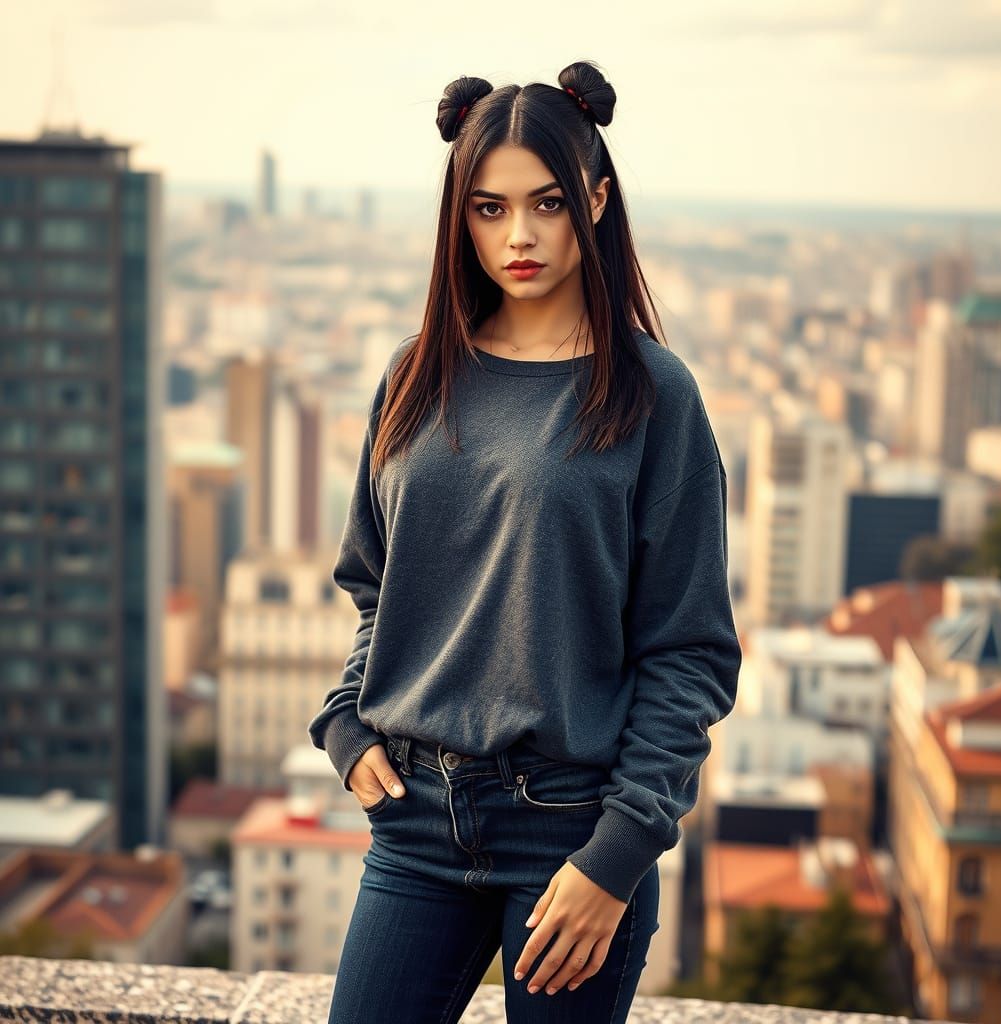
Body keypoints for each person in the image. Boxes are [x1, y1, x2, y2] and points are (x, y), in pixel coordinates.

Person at [309, 58, 742, 1024]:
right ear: (458, 218)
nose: (520, 236)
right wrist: (346, 721)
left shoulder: (653, 394)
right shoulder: (414, 376)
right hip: (416, 822)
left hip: (572, 829)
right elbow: (376, 582)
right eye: (489, 208)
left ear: (594, 197)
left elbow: (691, 651)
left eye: (546, 203)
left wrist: (620, 852)